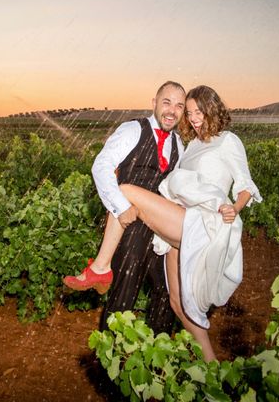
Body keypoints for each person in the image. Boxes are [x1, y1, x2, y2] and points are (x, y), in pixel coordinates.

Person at [65, 85, 262, 361]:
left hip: (200, 221)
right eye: (188, 111)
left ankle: (100, 267)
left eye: (195, 110)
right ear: (155, 102)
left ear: (212, 108)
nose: (192, 117)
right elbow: (111, 167)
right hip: (164, 224)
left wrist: (234, 207)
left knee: (126, 190)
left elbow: (245, 184)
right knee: (178, 304)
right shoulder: (186, 144)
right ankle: (212, 370)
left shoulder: (227, 141)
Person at [64, 81, 186, 335]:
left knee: (166, 291)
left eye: (179, 105)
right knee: (125, 290)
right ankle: (110, 361)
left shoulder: (179, 145)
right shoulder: (133, 129)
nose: (172, 110)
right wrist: (121, 208)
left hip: (159, 230)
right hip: (128, 225)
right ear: (154, 103)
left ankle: (157, 357)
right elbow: (102, 166)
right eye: (167, 102)